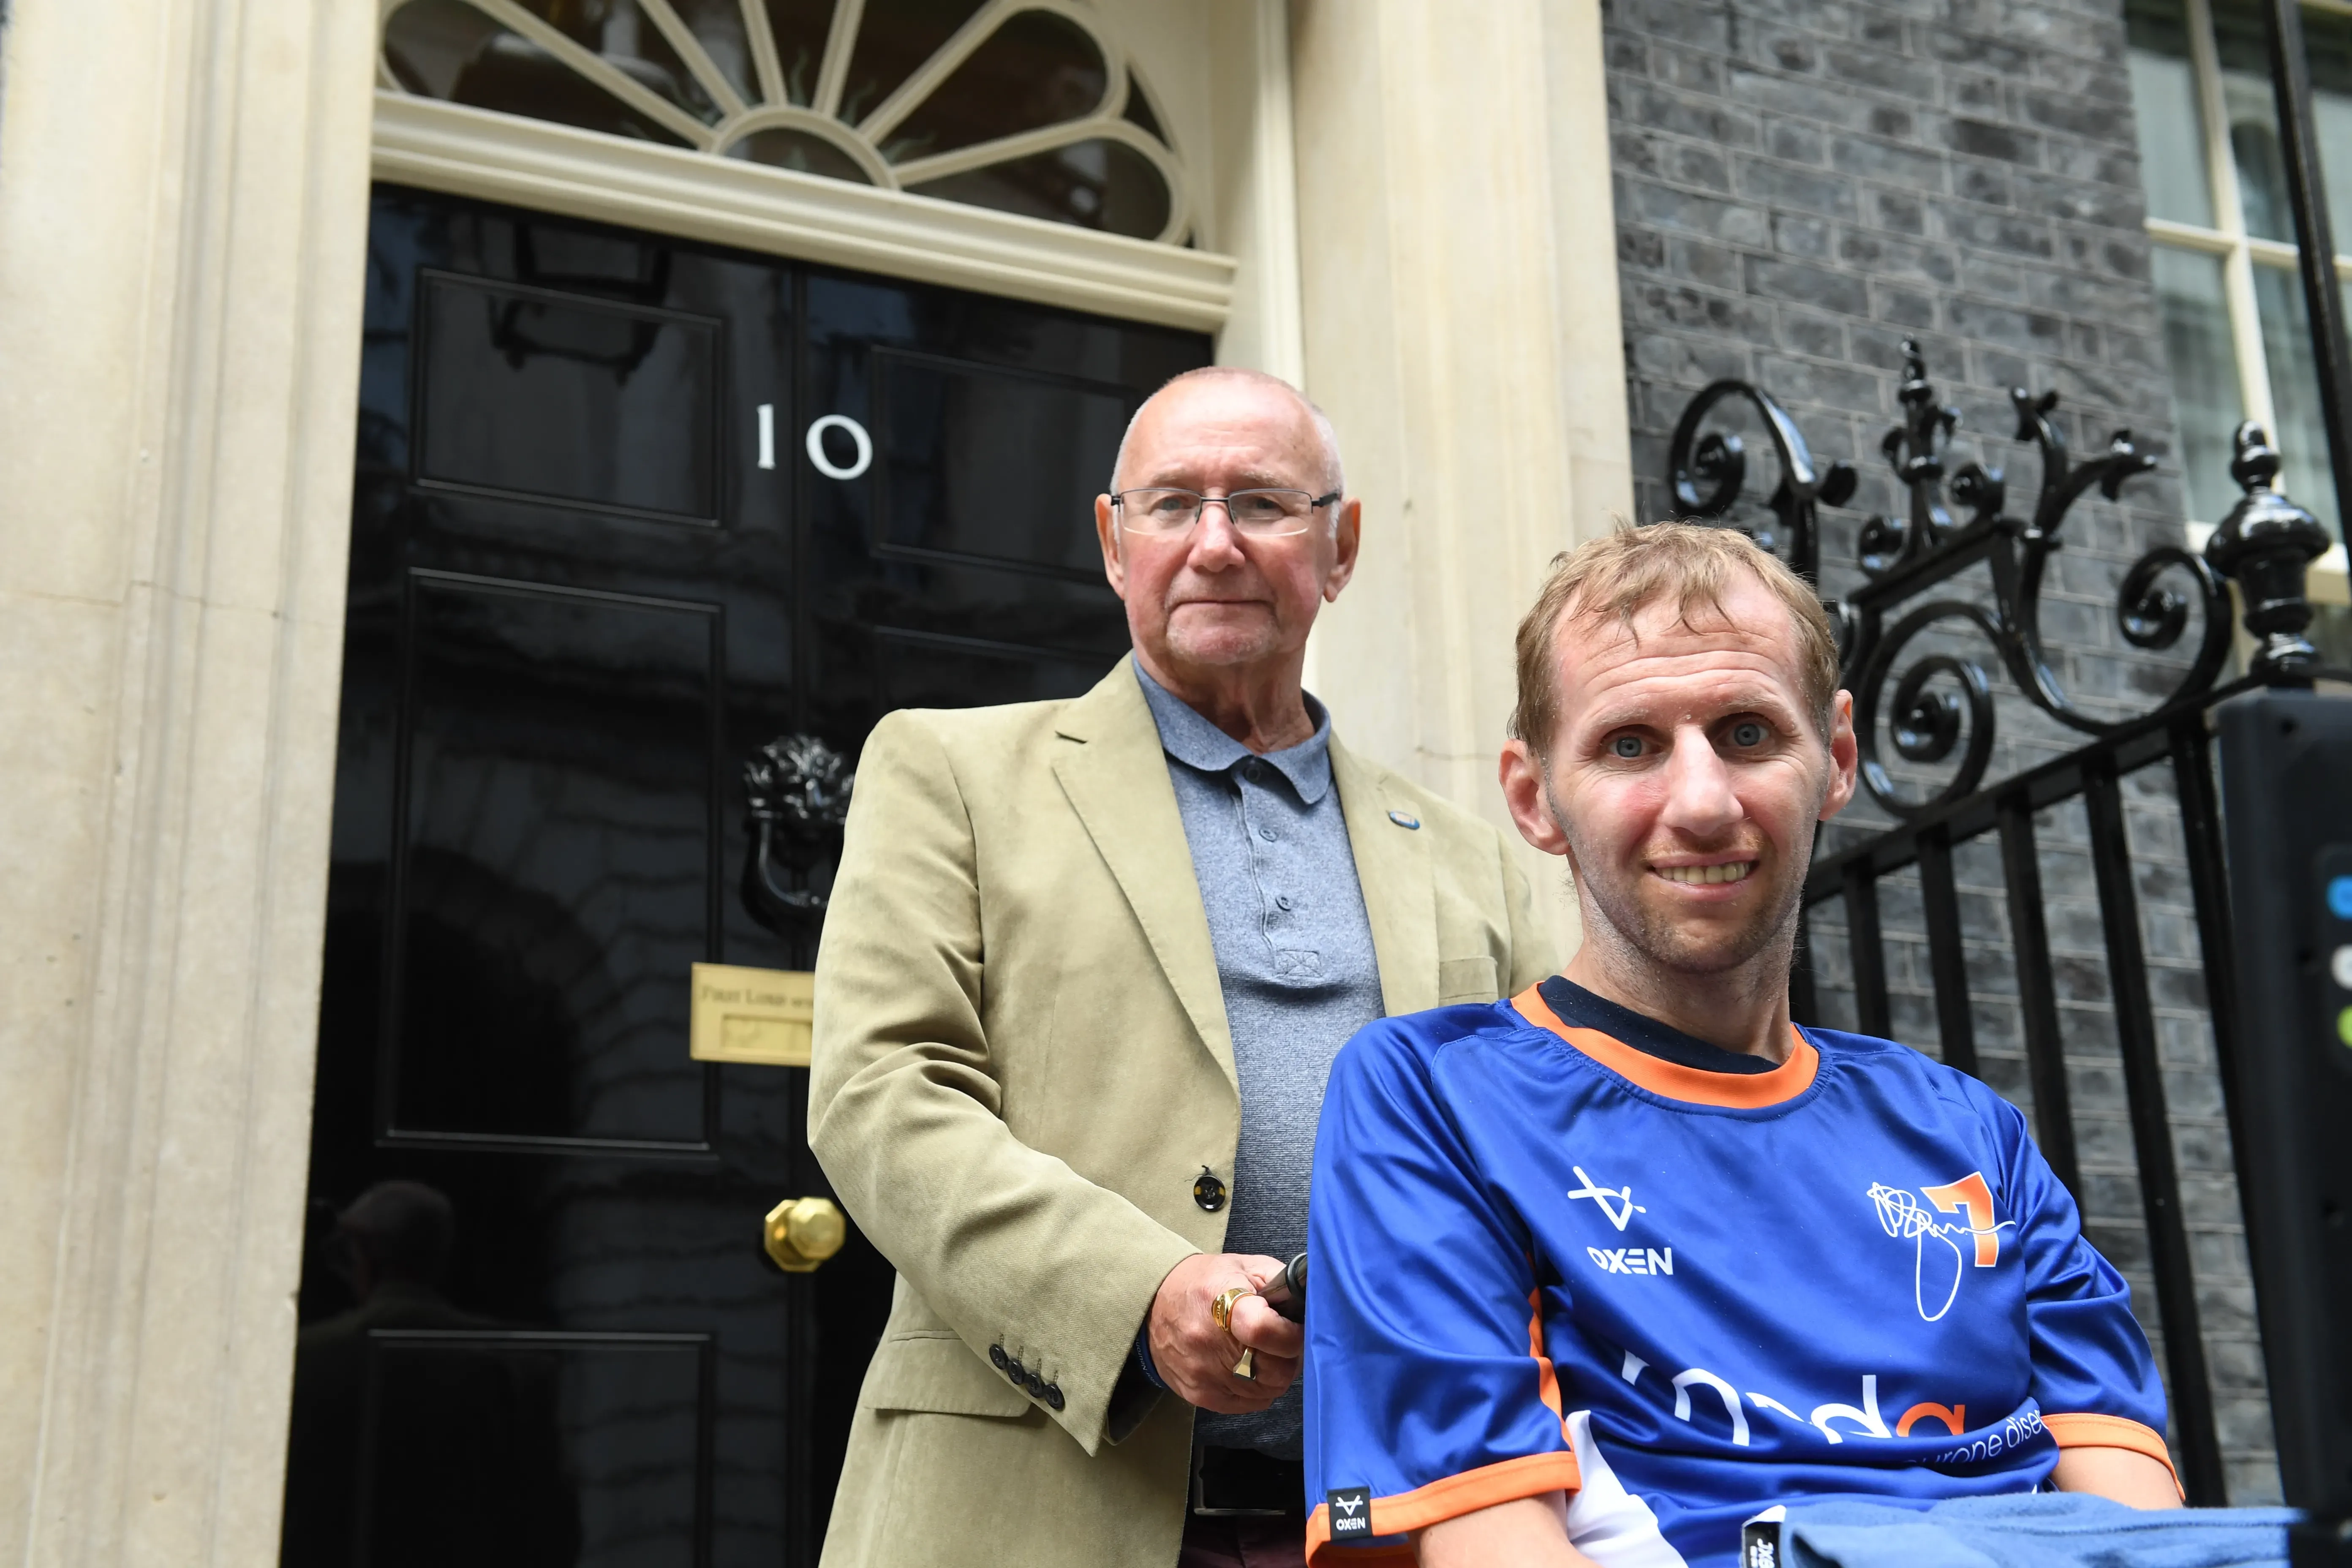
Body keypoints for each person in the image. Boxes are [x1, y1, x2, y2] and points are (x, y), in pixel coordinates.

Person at [1301, 524, 2180, 1568]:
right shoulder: (1430, 1097)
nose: (1705, 800)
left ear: (1838, 760)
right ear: (1535, 797)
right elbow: (1487, 1537)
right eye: (1630, 744)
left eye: (1749, 733)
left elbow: (2138, 1521)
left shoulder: (1973, 1132)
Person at [808, 366, 1554, 1568]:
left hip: (1396, 1522)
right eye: (1171, 505)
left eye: (1263, 504)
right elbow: (882, 1096)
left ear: (1341, 544)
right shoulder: (950, 773)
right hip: (1034, 1504)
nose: (1215, 544)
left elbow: (1560, 1148)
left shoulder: (1472, 858)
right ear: (1115, 543)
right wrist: (1139, 1296)